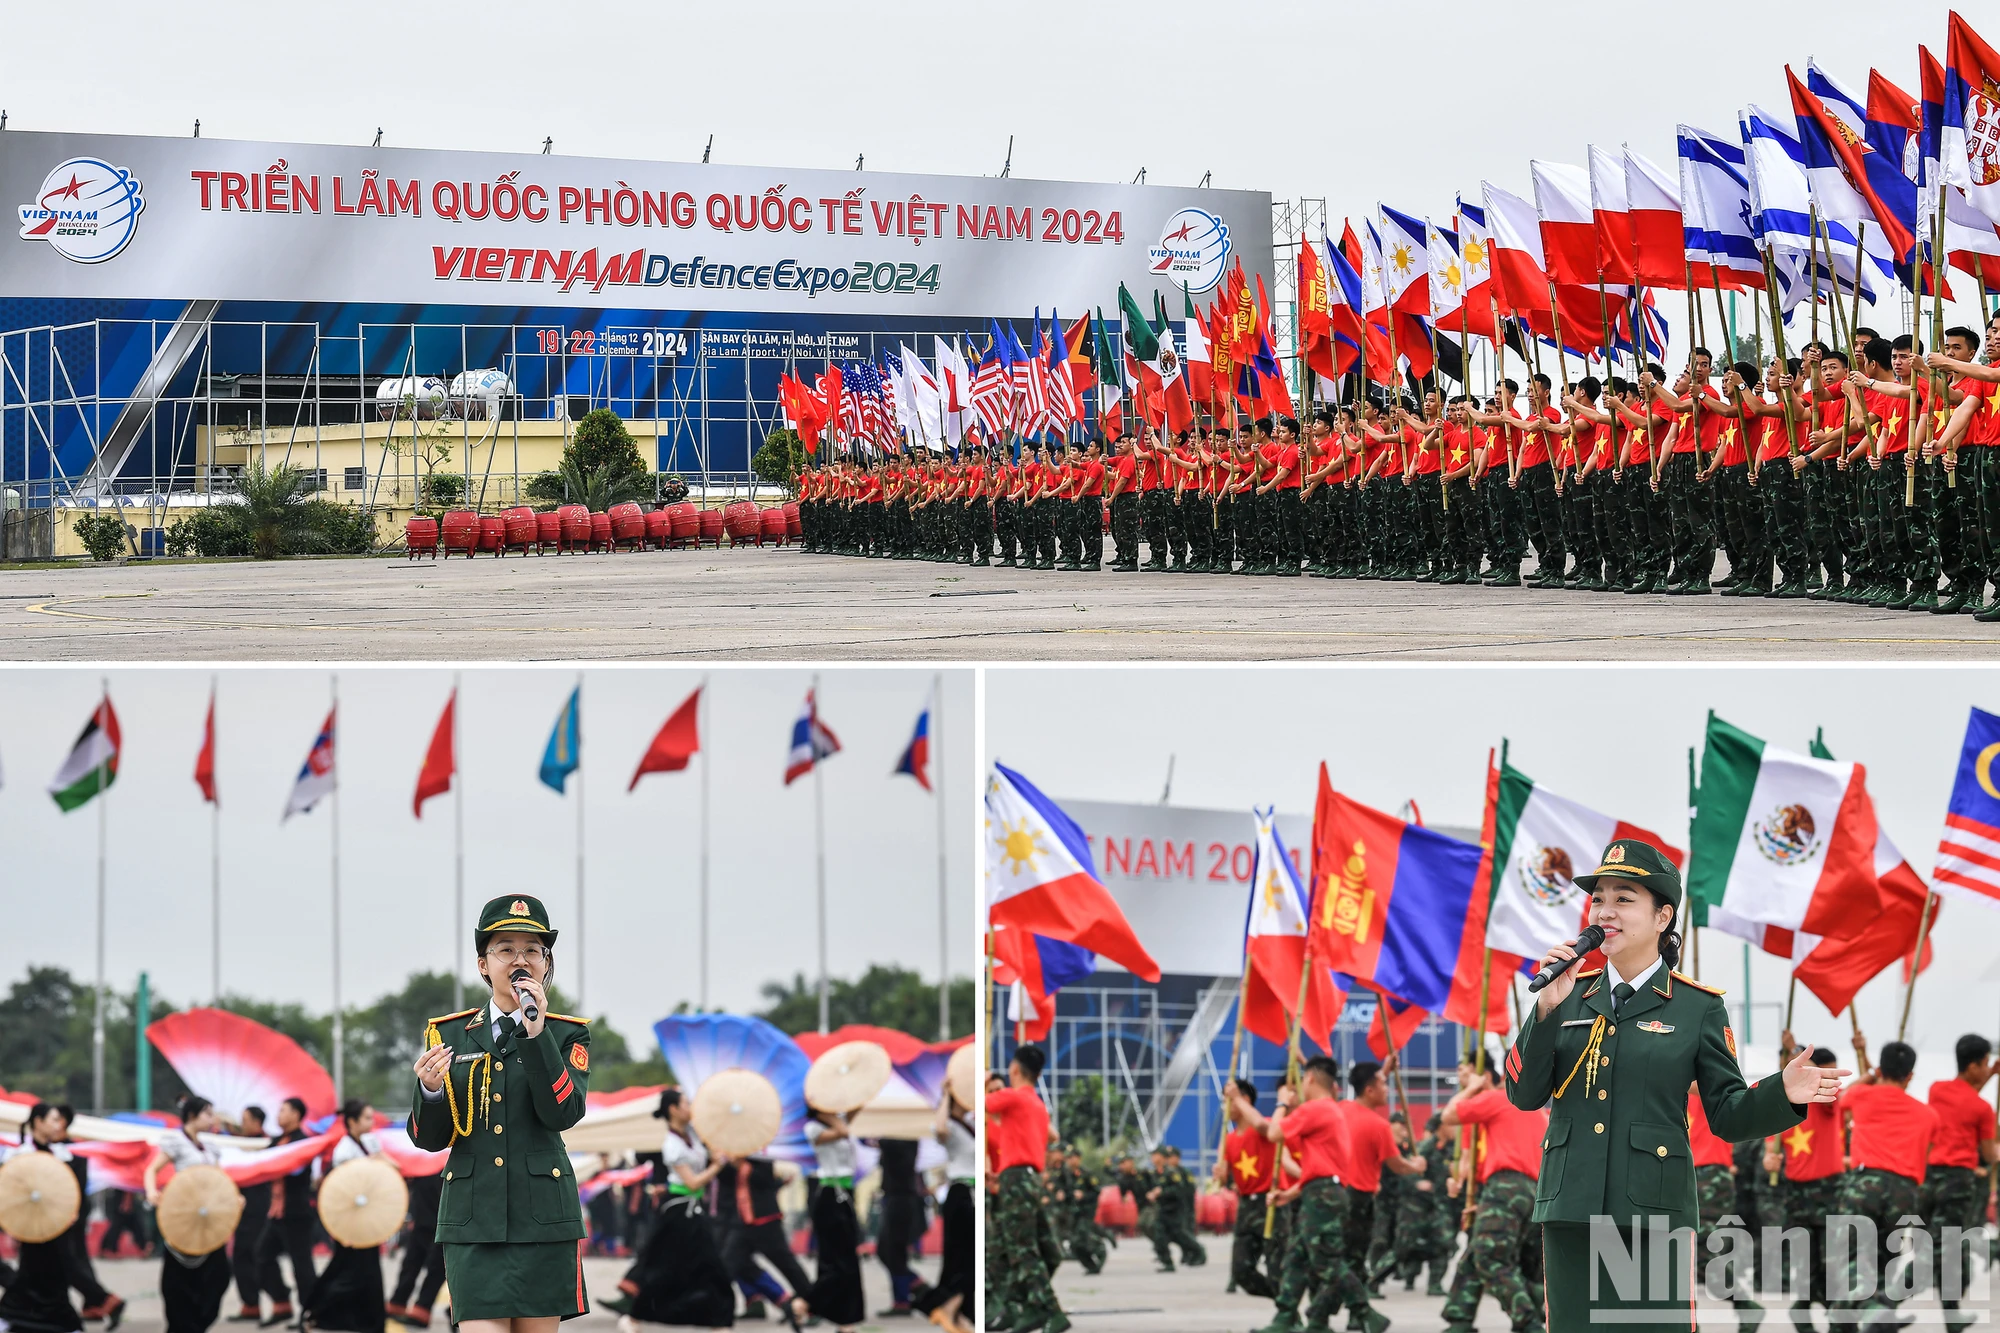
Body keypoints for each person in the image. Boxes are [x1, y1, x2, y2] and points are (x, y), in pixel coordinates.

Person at [1506, 838, 1836, 1331]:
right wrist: (1547, 1009)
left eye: (1623, 898)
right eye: (1599, 898)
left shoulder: (1696, 1007)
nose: (1605, 911)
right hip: (1570, 1208)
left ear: (1663, 917)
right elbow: (1524, 1093)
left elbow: (1726, 1112)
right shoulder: (1568, 994)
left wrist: (1780, 1092)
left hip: (1652, 1212)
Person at [408, 894, 594, 1332]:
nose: (520, 960)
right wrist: (430, 1091)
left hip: (543, 1218)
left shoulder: (567, 1034)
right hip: (474, 1220)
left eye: (532, 950)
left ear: (546, 964)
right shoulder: (448, 1033)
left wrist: (536, 1033)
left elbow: (563, 1112)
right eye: (506, 949)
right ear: (482, 964)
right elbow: (430, 1138)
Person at [1253, 1057, 1384, 1333]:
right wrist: (1291, 1193)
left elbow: (1274, 1133)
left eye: (1302, 1078)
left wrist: (1281, 1103)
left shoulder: (1315, 1109)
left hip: (1322, 1195)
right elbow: (1320, 1167)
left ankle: (1365, 1311)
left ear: (1310, 1078)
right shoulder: (1330, 1111)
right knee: (1297, 1258)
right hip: (1322, 1190)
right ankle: (1285, 1316)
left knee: (1327, 1261)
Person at [1829, 1036, 1940, 1328]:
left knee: (1852, 1254)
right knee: (1884, 1259)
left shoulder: (1863, 1096)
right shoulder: (1928, 1115)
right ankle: (1875, 1312)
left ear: (1881, 1068)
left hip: (1866, 1184)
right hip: (1904, 1191)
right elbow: (1926, 1154)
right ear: (1911, 1075)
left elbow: (1844, 1100)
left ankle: (1867, 1310)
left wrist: (1869, 1075)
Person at [605, 1088, 734, 1330]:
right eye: (686, 1103)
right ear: (673, 1109)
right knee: (667, 1269)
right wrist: (717, 1166)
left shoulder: (692, 1135)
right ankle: (635, 1315)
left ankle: (719, 1320)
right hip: (679, 1213)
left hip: (693, 1211)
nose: (690, 1108)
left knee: (706, 1266)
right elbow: (693, 1183)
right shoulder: (672, 1145)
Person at [1438, 1055, 1547, 1333]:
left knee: (1491, 1257)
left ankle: (1530, 1322)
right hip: (1534, 1193)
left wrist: (1472, 1089)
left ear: (1485, 1078)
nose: (1462, 1083)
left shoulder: (1498, 1098)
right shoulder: (1534, 1109)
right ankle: (1459, 1318)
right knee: (1482, 1253)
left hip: (1506, 1187)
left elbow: (1448, 1115)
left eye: (1465, 1077)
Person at [0, 1102, 123, 1333]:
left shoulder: (65, 1155)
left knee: (55, 1276)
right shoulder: (20, 1156)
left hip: (59, 1228)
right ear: (38, 1122)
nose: (59, 1125)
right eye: (54, 1120)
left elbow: (71, 1192)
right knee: (36, 1273)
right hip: (31, 1230)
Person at [985, 1045, 1068, 1333]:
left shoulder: (1012, 1096)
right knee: (1038, 1245)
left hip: (1015, 1178)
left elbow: (981, 1104)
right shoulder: (1037, 1104)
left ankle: (1050, 1309)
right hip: (1031, 1178)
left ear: (1015, 1070)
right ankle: (1031, 1306)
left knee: (1022, 1249)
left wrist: (981, 1082)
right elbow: (1050, 1136)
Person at [1335, 1061, 1426, 1307]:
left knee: (1340, 1256)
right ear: (1370, 1090)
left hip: (1337, 1193)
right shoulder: (1379, 1126)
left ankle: (1354, 1313)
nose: (1387, 1089)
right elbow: (1397, 1164)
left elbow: (1365, 1092)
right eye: (1383, 1084)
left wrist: (1382, 1072)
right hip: (1360, 1200)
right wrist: (1416, 1166)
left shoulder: (1341, 1109)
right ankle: (1344, 1312)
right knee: (1352, 1259)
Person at [1923, 1033, 1997, 1333]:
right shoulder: (1983, 1108)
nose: (1987, 1067)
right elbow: (1990, 1153)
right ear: (1974, 1066)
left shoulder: (1937, 1090)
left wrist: (1989, 1076)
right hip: (1959, 1183)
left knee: (1945, 1248)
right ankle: (1887, 1304)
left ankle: (1952, 1317)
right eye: (1985, 1063)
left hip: (1929, 1179)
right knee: (1947, 1252)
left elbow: (1964, 1097)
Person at [145, 1095, 237, 1333]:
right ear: (193, 1115)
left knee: (219, 1276)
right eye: (207, 1113)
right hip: (184, 1220)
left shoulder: (210, 1147)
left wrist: (233, 1198)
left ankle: (198, 1323)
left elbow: (219, 1180)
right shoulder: (176, 1141)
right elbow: (152, 1169)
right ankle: (182, 1326)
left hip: (208, 1221)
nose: (211, 1119)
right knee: (178, 1281)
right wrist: (152, 1191)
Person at [301, 1100, 386, 1333]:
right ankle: (320, 1312)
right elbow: (344, 1190)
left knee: (360, 1269)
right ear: (352, 1121)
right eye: (367, 1118)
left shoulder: (370, 1142)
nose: (372, 1122)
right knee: (351, 1271)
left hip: (367, 1219)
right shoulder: (344, 1151)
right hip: (350, 1221)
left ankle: (362, 1320)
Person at [790, 1110, 863, 1333]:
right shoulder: (814, 1128)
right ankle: (804, 1303)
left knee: (848, 1262)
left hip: (845, 1193)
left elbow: (850, 1116)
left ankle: (845, 1323)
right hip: (830, 1196)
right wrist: (831, 1113)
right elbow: (843, 1131)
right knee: (837, 1263)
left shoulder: (835, 1122)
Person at [712, 1154, 807, 1323]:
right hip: (742, 1224)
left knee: (787, 1265)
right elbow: (724, 1179)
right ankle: (715, 1310)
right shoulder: (731, 1156)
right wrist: (719, 1162)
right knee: (726, 1266)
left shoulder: (761, 1158)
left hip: (766, 1222)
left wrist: (741, 1164)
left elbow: (764, 1181)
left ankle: (812, 1304)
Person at [911, 1083, 976, 1333]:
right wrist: (947, 1094)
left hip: (973, 1193)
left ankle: (956, 1315)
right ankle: (946, 1308)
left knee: (967, 1258)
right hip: (961, 1194)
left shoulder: (970, 1122)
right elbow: (938, 1128)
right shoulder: (947, 1125)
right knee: (963, 1257)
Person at [1216, 1079, 1287, 1300]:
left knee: (1277, 1266)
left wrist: (1236, 1096)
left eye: (1227, 1101)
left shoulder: (1264, 1125)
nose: (1224, 1107)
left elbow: (1263, 1128)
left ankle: (1287, 1313)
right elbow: (1225, 1178)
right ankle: (1283, 1300)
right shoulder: (1228, 1140)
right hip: (1246, 1206)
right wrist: (1220, 1174)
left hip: (1270, 1204)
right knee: (1241, 1271)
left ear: (1244, 1100)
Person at [252, 1098, 316, 1327]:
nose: (278, 1115)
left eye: (283, 1111)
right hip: (276, 1213)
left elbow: (295, 1169)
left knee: (302, 1267)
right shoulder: (276, 1141)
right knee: (261, 1256)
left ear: (297, 1115)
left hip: (296, 1214)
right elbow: (259, 1160)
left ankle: (310, 1314)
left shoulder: (304, 1142)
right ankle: (281, 1302)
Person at [226, 1107, 273, 1326]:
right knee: (242, 1256)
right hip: (242, 1208)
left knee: (255, 1255)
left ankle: (278, 1296)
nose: (242, 1124)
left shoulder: (265, 1144)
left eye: (245, 1120)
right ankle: (251, 1304)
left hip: (259, 1208)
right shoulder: (242, 1143)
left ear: (257, 1122)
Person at [384, 1171, 446, 1329]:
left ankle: (422, 1308)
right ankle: (399, 1301)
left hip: (446, 1194)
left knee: (439, 1257)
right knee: (415, 1254)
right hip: (425, 1196)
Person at [872, 1137, 925, 1318]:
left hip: (902, 1199)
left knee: (894, 1252)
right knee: (886, 1251)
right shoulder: (893, 1141)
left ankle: (904, 1300)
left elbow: (898, 1157)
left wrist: (883, 1140)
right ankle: (914, 1285)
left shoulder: (904, 1140)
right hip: (893, 1197)